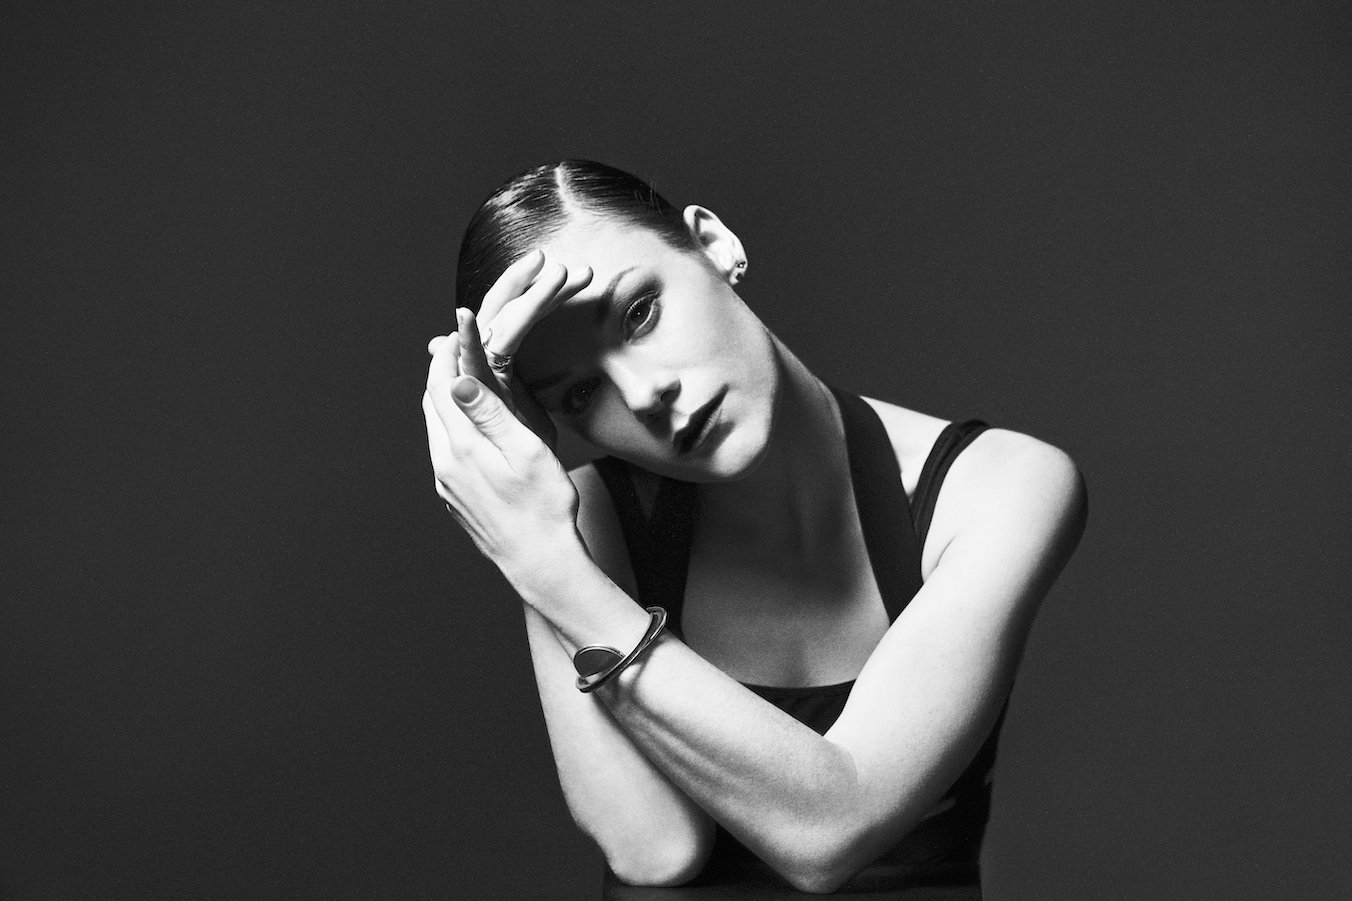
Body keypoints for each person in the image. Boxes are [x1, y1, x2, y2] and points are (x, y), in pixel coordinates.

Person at [422, 160, 1087, 897]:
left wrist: (544, 560)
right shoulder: (568, 527)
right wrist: (538, 549)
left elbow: (831, 830)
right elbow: (656, 851)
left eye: (639, 313)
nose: (644, 395)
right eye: (579, 393)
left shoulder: (996, 485)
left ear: (716, 246)